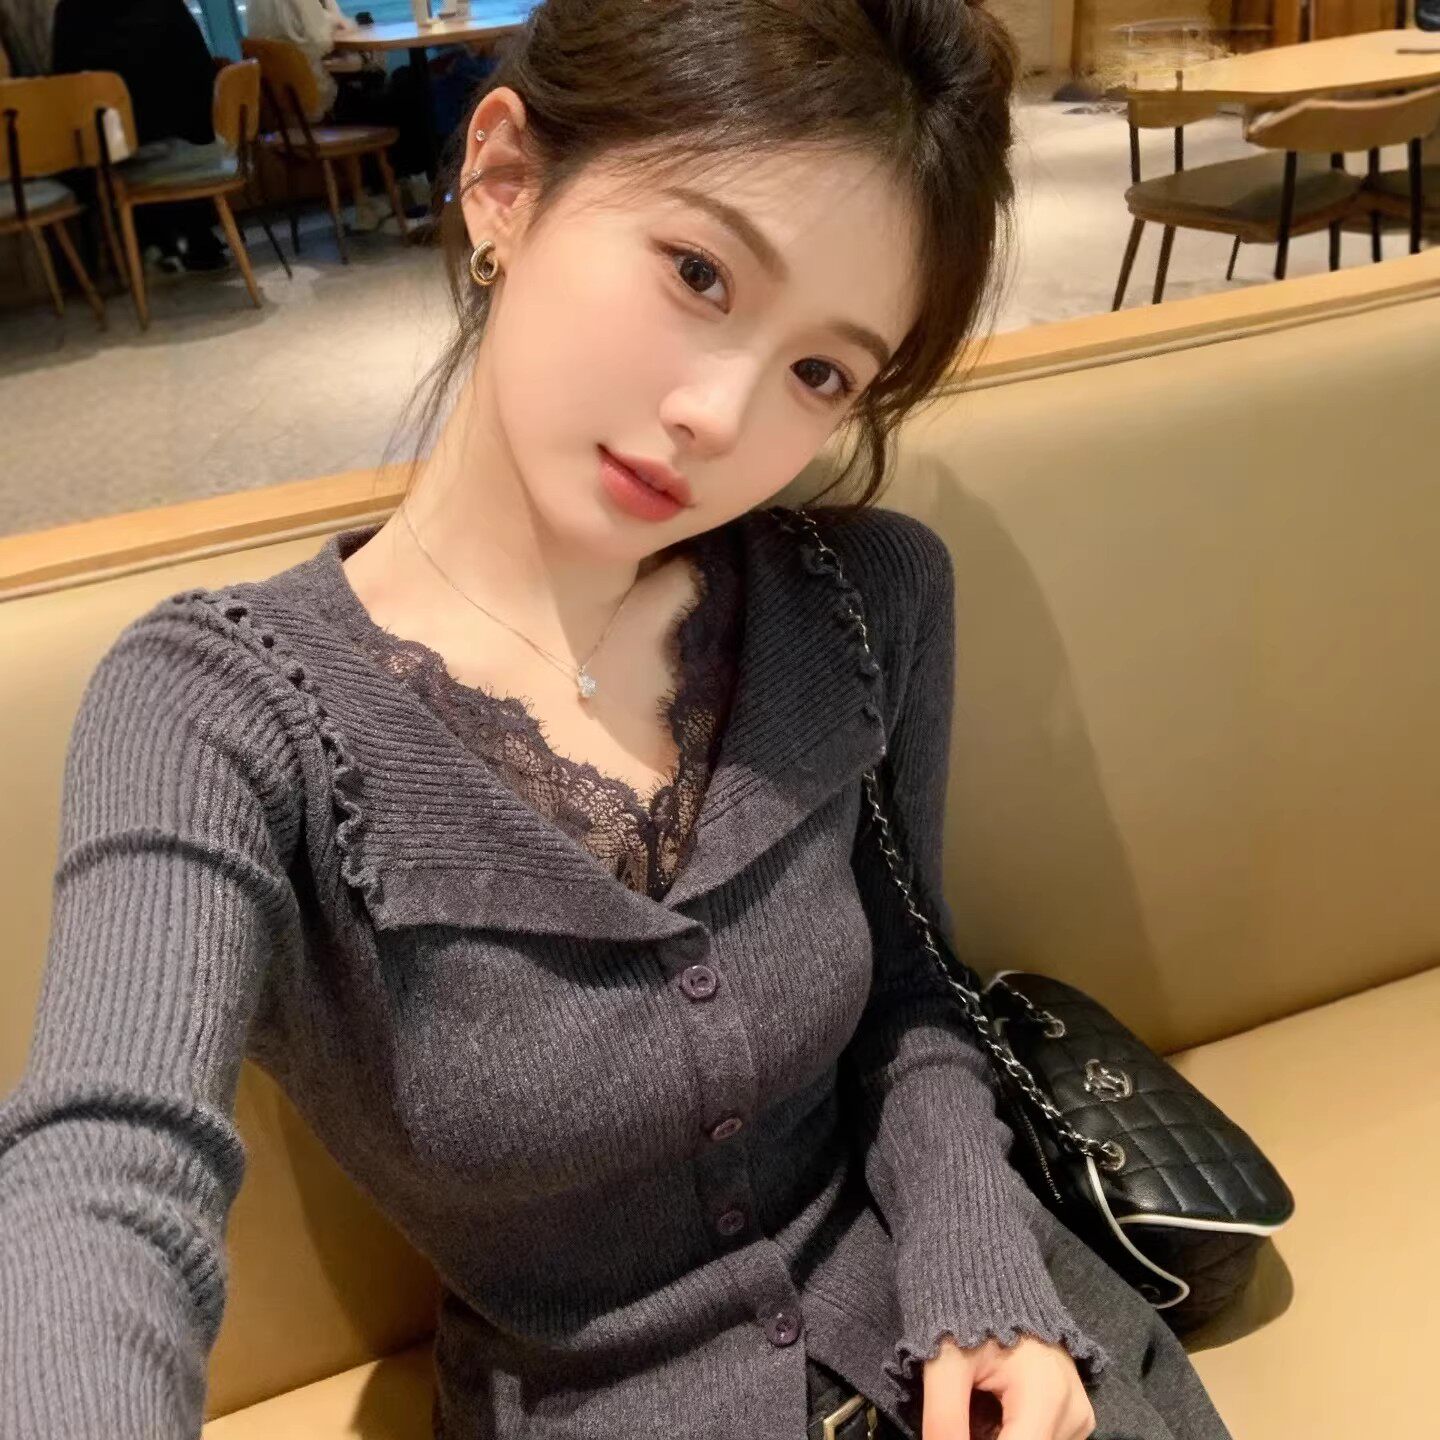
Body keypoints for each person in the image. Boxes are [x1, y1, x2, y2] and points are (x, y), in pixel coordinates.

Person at [0, 3, 1237, 1439]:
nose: (720, 416)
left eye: (821, 373)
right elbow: (103, 1169)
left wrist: (985, 1283)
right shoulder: (224, 710)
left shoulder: (861, 602)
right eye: (699, 272)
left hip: (1010, 1356)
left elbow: (912, 992)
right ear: (505, 182)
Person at [49, 0, 229, 270]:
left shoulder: (73, 12)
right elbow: (201, 72)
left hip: (120, 152)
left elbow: (65, 87)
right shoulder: (165, 5)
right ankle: (197, 237)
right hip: (193, 149)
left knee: (107, 151)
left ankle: (146, 244)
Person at [245, 0, 431, 226]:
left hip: (289, 112)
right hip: (321, 102)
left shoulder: (255, 7)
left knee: (391, 84)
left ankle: (381, 195)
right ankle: (416, 188)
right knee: (408, 90)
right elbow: (319, 38)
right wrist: (338, 21)